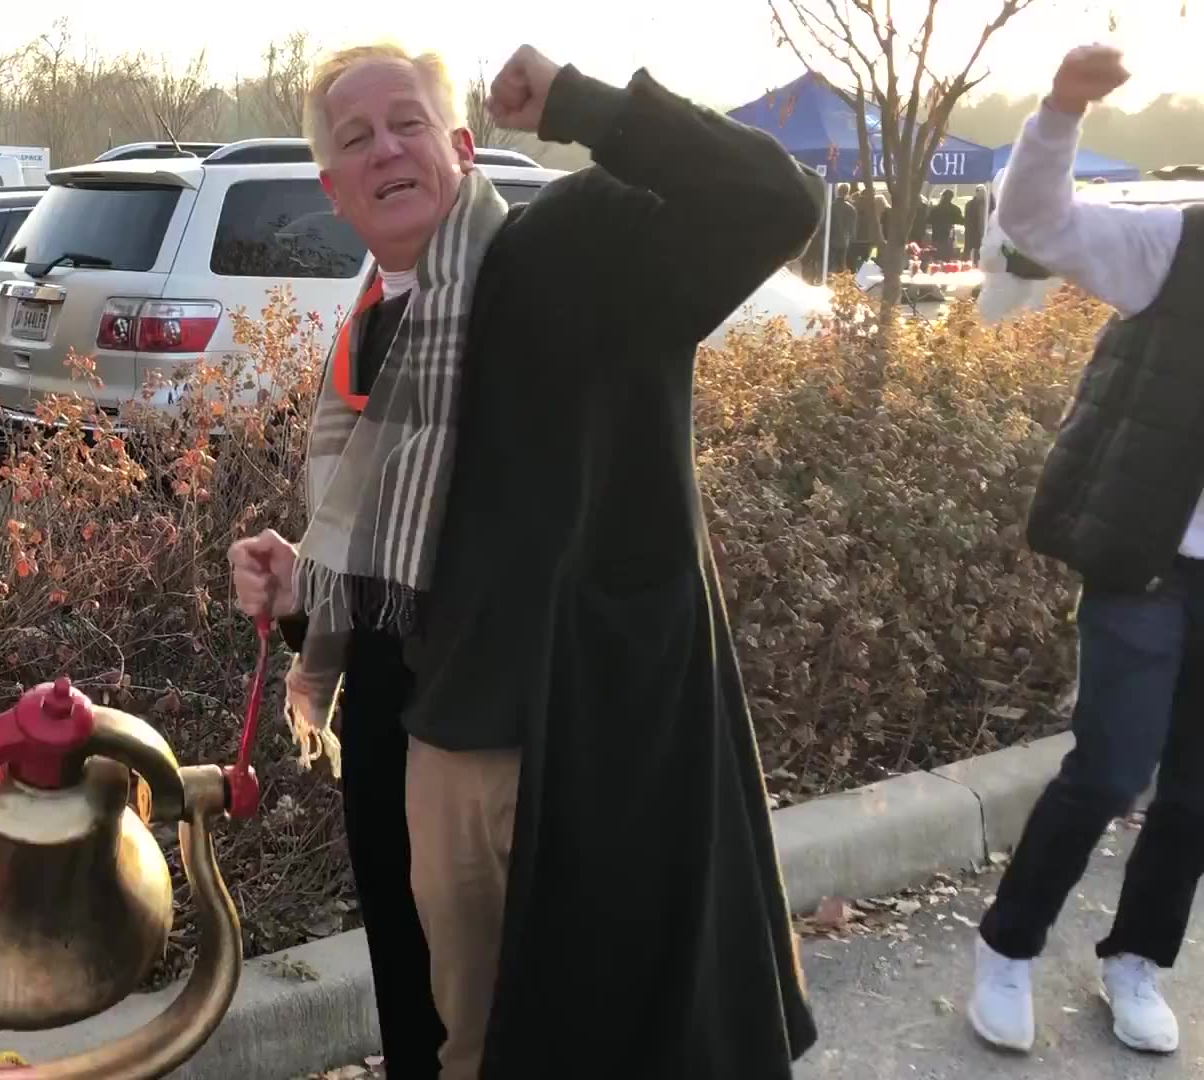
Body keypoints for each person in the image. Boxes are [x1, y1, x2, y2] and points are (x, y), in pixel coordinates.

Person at [228, 39, 822, 1079]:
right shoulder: (369, 341)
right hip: (437, 757)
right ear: (334, 189)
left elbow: (772, 199)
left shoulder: (573, 248)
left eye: (408, 122)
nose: (387, 150)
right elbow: (396, 577)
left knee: (623, 1042)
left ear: (460, 144)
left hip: (592, 750)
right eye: (357, 140)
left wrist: (585, 104)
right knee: (470, 1046)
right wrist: (300, 592)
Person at [968, 43, 1204, 1059]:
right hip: (1149, 559)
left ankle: (1136, 959)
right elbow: (1038, 224)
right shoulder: (1180, 248)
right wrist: (1061, 109)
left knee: (1197, 792)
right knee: (1111, 769)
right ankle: (1008, 945)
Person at [927, 189, 964, 261]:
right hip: (948, 235)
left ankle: (937, 266)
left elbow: (928, 221)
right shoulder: (955, 209)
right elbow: (961, 221)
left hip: (937, 235)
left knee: (936, 255)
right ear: (951, 198)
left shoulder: (935, 209)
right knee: (947, 255)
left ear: (942, 197)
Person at [830, 183, 856, 275]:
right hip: (844, 240)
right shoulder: (851, 209)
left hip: (831, 239)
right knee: (841, 264)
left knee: (830, 264)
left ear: (837, 191)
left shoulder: (831, 207)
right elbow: (852, 228)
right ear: (847, 193)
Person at [964, 184, 988, 263]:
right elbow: (967, 220)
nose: (981, 194)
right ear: (976, 192)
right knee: (974, 251)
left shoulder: (989, 204)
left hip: (987, 232)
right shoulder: (970, 205)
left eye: (983, 192)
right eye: (979, 191)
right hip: (974, 232)